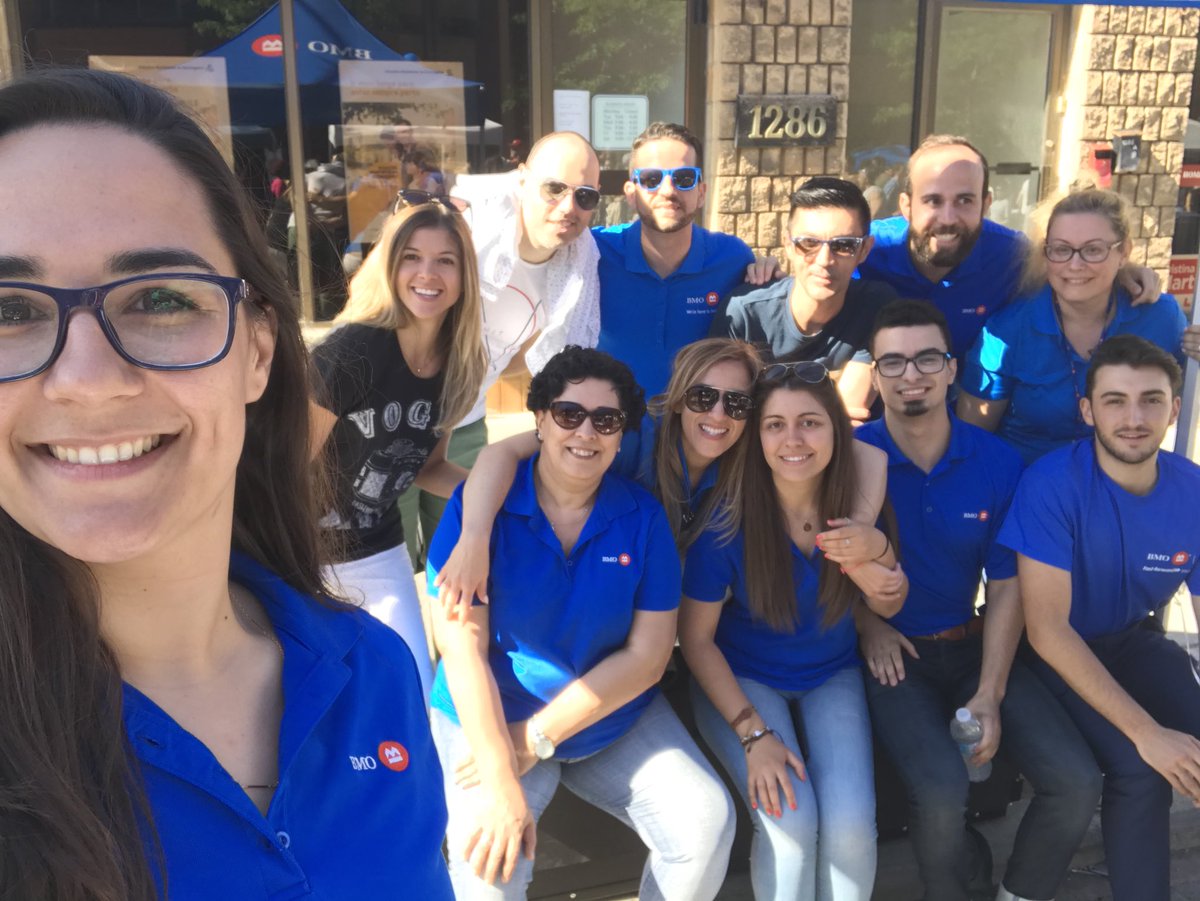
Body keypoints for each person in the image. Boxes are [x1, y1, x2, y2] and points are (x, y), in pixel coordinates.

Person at [0, 68, 451, 898]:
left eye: (161, 299)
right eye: (9, 310)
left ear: (257, 350)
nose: (88, 380)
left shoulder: (374, 672)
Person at [427, 347, 735, 900]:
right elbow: (461, 647)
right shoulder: (480, 509)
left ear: (620, 436)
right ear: (540, 421)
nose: (586, 432)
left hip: (608, 717)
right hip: (494, 717)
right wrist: (500, 772)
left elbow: (648, 658)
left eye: (606, 420)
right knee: (487, 875)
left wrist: (537, 738)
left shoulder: (642, 518)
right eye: (569, 414)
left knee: (705, 824)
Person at [854, 301, 1101, 901]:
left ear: (951, 369)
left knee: (1074, 781)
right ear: (876, 376)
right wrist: (866, 624)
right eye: (893, 362)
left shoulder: (996, 461)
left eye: (926, 359)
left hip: (973, 644)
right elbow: (817, 566)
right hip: (894, 657)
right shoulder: (850, 456)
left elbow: (1008, 583)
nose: (911, 375)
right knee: (941, 791)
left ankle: (1018, 892)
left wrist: (990, 690)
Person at [679, 361, 907, 901]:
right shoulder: (727, 521)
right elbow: (696, 640)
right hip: (743, 678)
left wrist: (875, 551)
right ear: (756, 437)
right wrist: (753, 735)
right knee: (791, 823)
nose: (793, 440)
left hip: (831, 672)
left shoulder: (853, 507)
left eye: (810, 422)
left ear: (836, 432)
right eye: (775, 425)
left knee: (851, 826)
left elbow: (891, 601)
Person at [999, 335, 1200, 901]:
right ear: (1087, 410)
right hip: (1046, 655)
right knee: (1139, 768)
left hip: (1130, 642)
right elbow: (1048, 630)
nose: (1133, 419)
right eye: (1115, 401)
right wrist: (1148, 733)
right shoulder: (1052, 483)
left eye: (1150, 400)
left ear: (1174, 409)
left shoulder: (1193, 490)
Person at [397, 131, 603, 572]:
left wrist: (479, 376)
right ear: (522, 178)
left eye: (585, 196)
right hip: (389, 421)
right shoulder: (465, 228)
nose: (568, 207)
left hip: (464, 426)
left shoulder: (579, 267)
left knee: (451, 572)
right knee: (385, 574)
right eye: (554, 188)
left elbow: (526, 351)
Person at [310, 195, 487, 698]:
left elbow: (429, 467)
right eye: (412, 257)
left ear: (464, 277)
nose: (427, 274)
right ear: (391, 265)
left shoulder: (460, 364)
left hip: (377, 548)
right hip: (303, 552)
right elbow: (280, 466)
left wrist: (499, 492)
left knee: (412, 689)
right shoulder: (354, 350)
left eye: (445, 261)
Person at [857, 134, 1164, 361]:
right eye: (933, 201)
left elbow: (1070, 268)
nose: (948, 218)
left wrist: (1123, 269)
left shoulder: (1012, 255)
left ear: (986, 204)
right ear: (905, 205)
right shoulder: (866, 248)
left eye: (965, 200)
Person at [957, 189, 1188, 464]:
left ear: (1124, 252)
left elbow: (1184, 398)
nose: (1075, 264)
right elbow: (971, 440)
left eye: (1093, 250)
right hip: (1027, 480)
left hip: (1125, 479)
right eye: (1061, 250)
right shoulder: (1008, 331)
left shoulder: (1160, 317)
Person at [713, 176, 898, 421]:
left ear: (864, 250)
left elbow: (846, 419)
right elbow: (725, 415)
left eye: (844, 245)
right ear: (788, 244)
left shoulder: (875, 306)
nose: (824, 260)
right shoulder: (744, 314)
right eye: (809, 243)